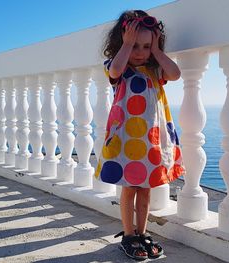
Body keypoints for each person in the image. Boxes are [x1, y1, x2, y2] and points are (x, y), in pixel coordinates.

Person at [95, 10, 186, 260]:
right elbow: (114, 71)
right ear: (121, 42)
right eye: (134, 45)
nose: (139, 52)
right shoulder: (120, 69)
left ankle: (142, 233)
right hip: (126, 141)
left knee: (145, 189)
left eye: (146, 46)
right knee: (129, 188)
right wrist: (125, 45)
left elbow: (176, 74)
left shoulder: (155, 70)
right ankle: (128, 235)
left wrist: (156, 51)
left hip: (151, 141)